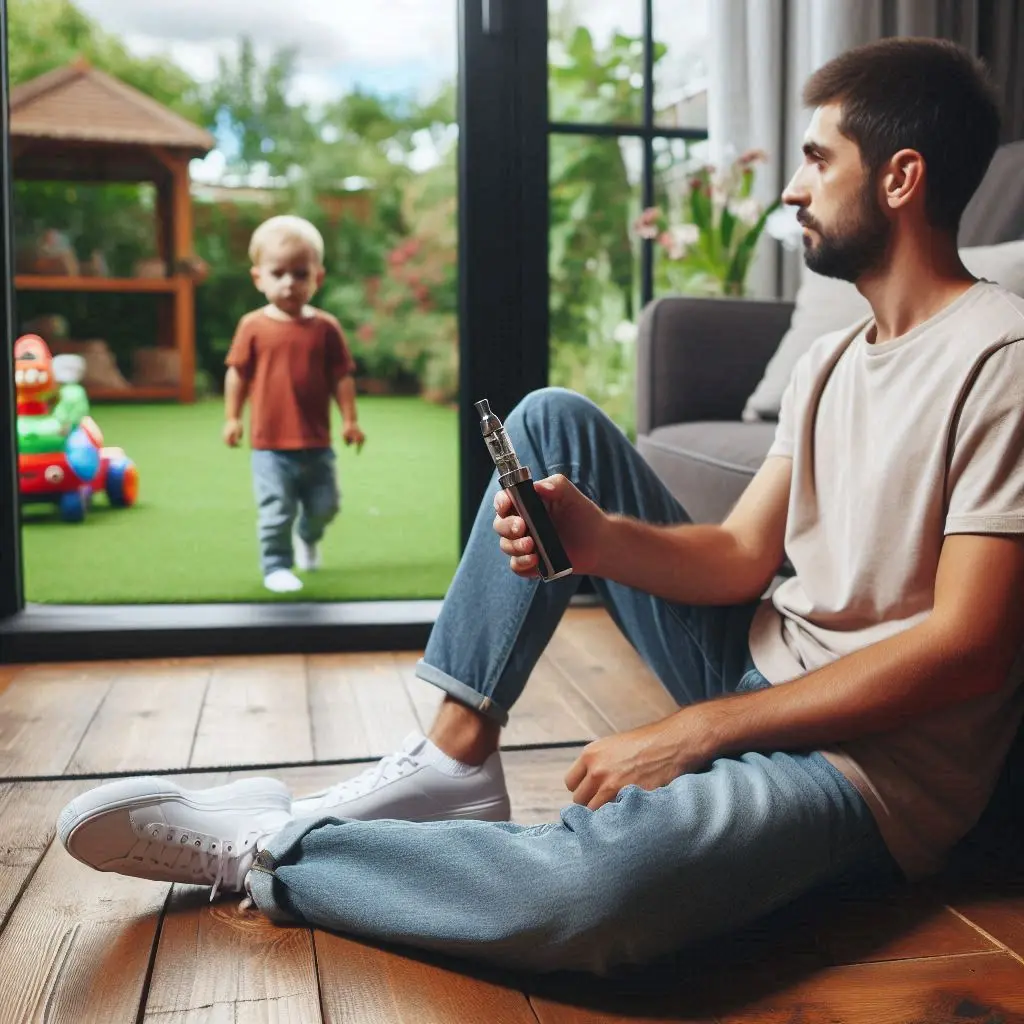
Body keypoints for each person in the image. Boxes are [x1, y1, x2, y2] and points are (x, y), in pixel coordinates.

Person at [56, 38, 1024, 976]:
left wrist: (698, 732)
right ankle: (452, 756)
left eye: (817, 158)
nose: (791, 187)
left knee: (592, 894)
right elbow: (738, 553)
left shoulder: (1001, 357)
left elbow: (967, 645)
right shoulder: (828, 360)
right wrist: (599, 541)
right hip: (756, 671)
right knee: (549, 420)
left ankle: (275, 847)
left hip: (866, 767)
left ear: (899, 178)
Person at [222, 215, 366, 593]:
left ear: (317, 277)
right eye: (278, 272)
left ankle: (308, 535)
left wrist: (350, 420)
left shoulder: (325, 328)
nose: (289, 282)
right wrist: (232, 418)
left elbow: (341, 377)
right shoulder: (252, 326)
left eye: (300, 273)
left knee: (326, 506)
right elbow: (237, 373)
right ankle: (276, 566)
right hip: (269, 445)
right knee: (276, 510)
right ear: (259, 278)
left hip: (317, 444)